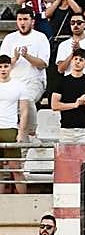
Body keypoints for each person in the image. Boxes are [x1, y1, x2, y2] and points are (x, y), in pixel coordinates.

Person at [0, 8, 49, 141]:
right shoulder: (10, 38)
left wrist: (27, 56)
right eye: (20, 19)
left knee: (27, 99)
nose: (23, 22)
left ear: (32, 21)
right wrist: (14, 59)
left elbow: (43, 64)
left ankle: (31, 133)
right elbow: (3, 64)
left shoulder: (40, 37)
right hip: (12, 81)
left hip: (34, 80)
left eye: (26, 19)